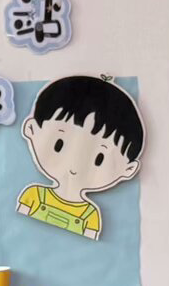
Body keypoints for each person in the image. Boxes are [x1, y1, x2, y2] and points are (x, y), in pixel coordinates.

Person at [15, 73, 145, 240]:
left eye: (99, 159)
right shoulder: (33, 196)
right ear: (31, 129)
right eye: (59, 144)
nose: (75, 165)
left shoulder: (90, 216)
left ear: (128, 169)